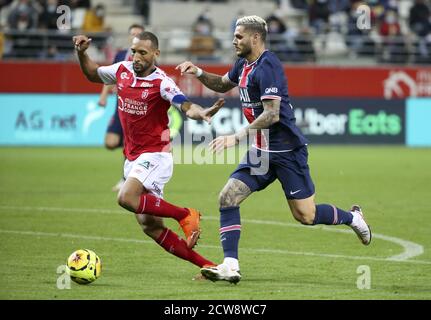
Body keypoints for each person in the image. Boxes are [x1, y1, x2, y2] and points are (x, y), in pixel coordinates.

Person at [176, 15, 371, 284]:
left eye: (239, 36)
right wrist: (197, 72)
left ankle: (353, 218)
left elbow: (272, 114)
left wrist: (237, 136)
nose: (234, 40)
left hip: (287, 152)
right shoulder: (244, 64)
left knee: (306, 215)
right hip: (261, 153)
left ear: (255, 38)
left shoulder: (269, 66)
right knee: (227, 198)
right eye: (234, 35)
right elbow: (222, 83)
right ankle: (230, 266)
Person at [73, 31, 225, 270]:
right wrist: (82, 53)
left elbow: (185, 105)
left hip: (156, 154)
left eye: (142, 53)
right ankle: (210, 267)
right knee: (151, 227)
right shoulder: (121, 69)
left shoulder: (162, 82)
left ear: (156, 54)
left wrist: (201, 112)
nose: (136, 57)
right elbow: (93, 74)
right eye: (134, 51)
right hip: (133, 157)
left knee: (126, 197)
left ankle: (185, 214)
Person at [98, 24, 145, 192]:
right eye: (133, 34)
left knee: (127, 142)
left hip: (136, 106)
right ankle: (133, 149)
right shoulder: (120, 54)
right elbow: (108, 76)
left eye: (139, 34)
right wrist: (103, 96)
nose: (135, 37)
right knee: (110, 142)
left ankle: (126, 178)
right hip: (119, 104)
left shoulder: (147, 57)